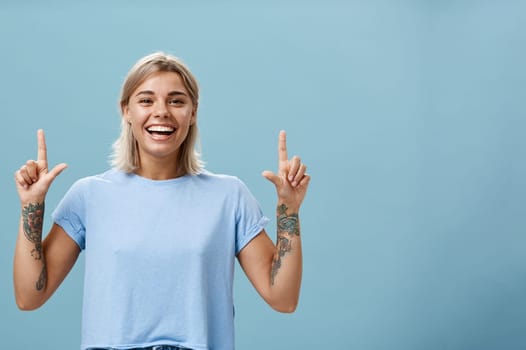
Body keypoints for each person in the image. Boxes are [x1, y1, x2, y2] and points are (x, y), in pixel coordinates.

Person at [12, 52, 310, 350]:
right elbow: (29, 297)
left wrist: (289, 211)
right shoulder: (88, 195)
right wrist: (31, 206)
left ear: (193, 112)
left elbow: (282, 299)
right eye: (146, 100)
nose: (161, 112)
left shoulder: (229, 196)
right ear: (126, 110)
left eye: (177, 101)